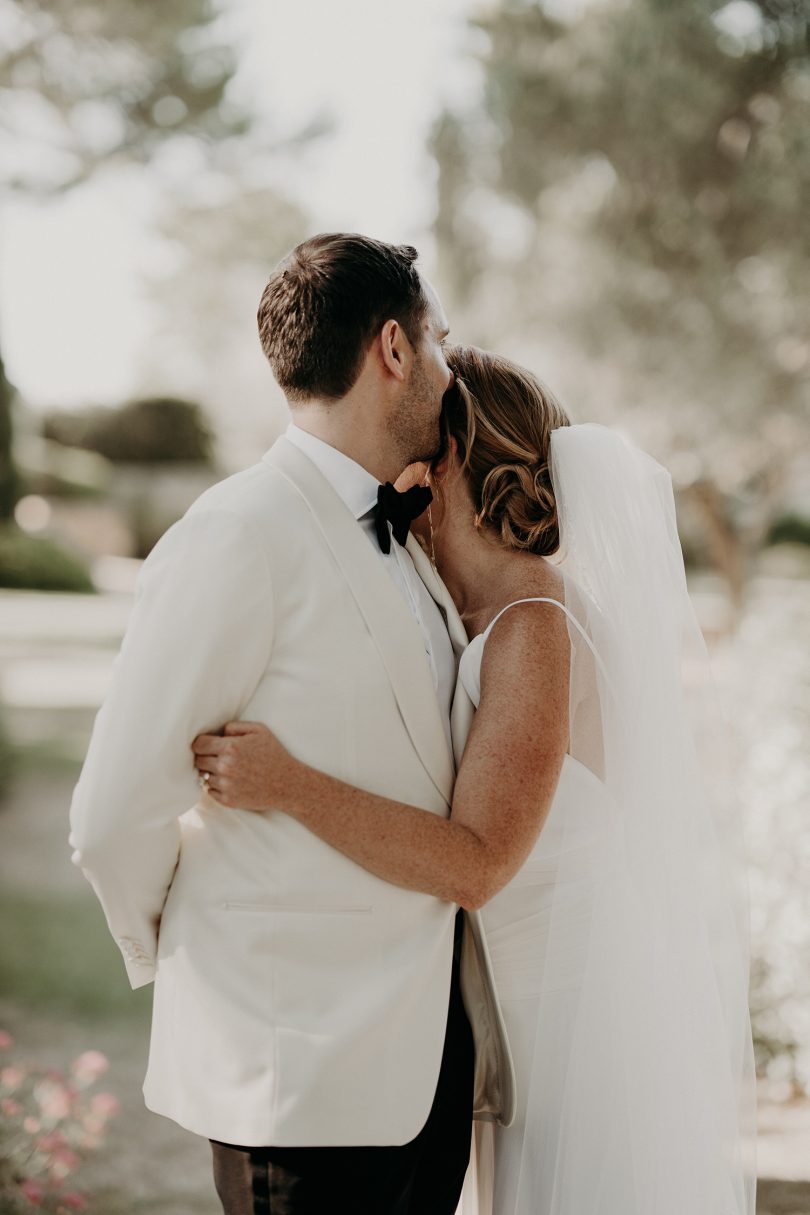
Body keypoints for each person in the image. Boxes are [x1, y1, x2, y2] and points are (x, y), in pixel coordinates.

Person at [193, 345, 758, 1215]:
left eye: (404, 442)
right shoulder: (479, 611)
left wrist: (288, 783)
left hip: (577, 1046)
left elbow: (478, 862)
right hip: (515, 1031)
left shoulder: (535, 622)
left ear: (442, 461)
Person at [68, 235, 515, 1215]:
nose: (446, 370)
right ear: (393, 348)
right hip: (296, 1074)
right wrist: (196, 954)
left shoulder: (406, 530)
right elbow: (114, 814)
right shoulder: (237, 535)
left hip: (425, 1073)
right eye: (437, 343)